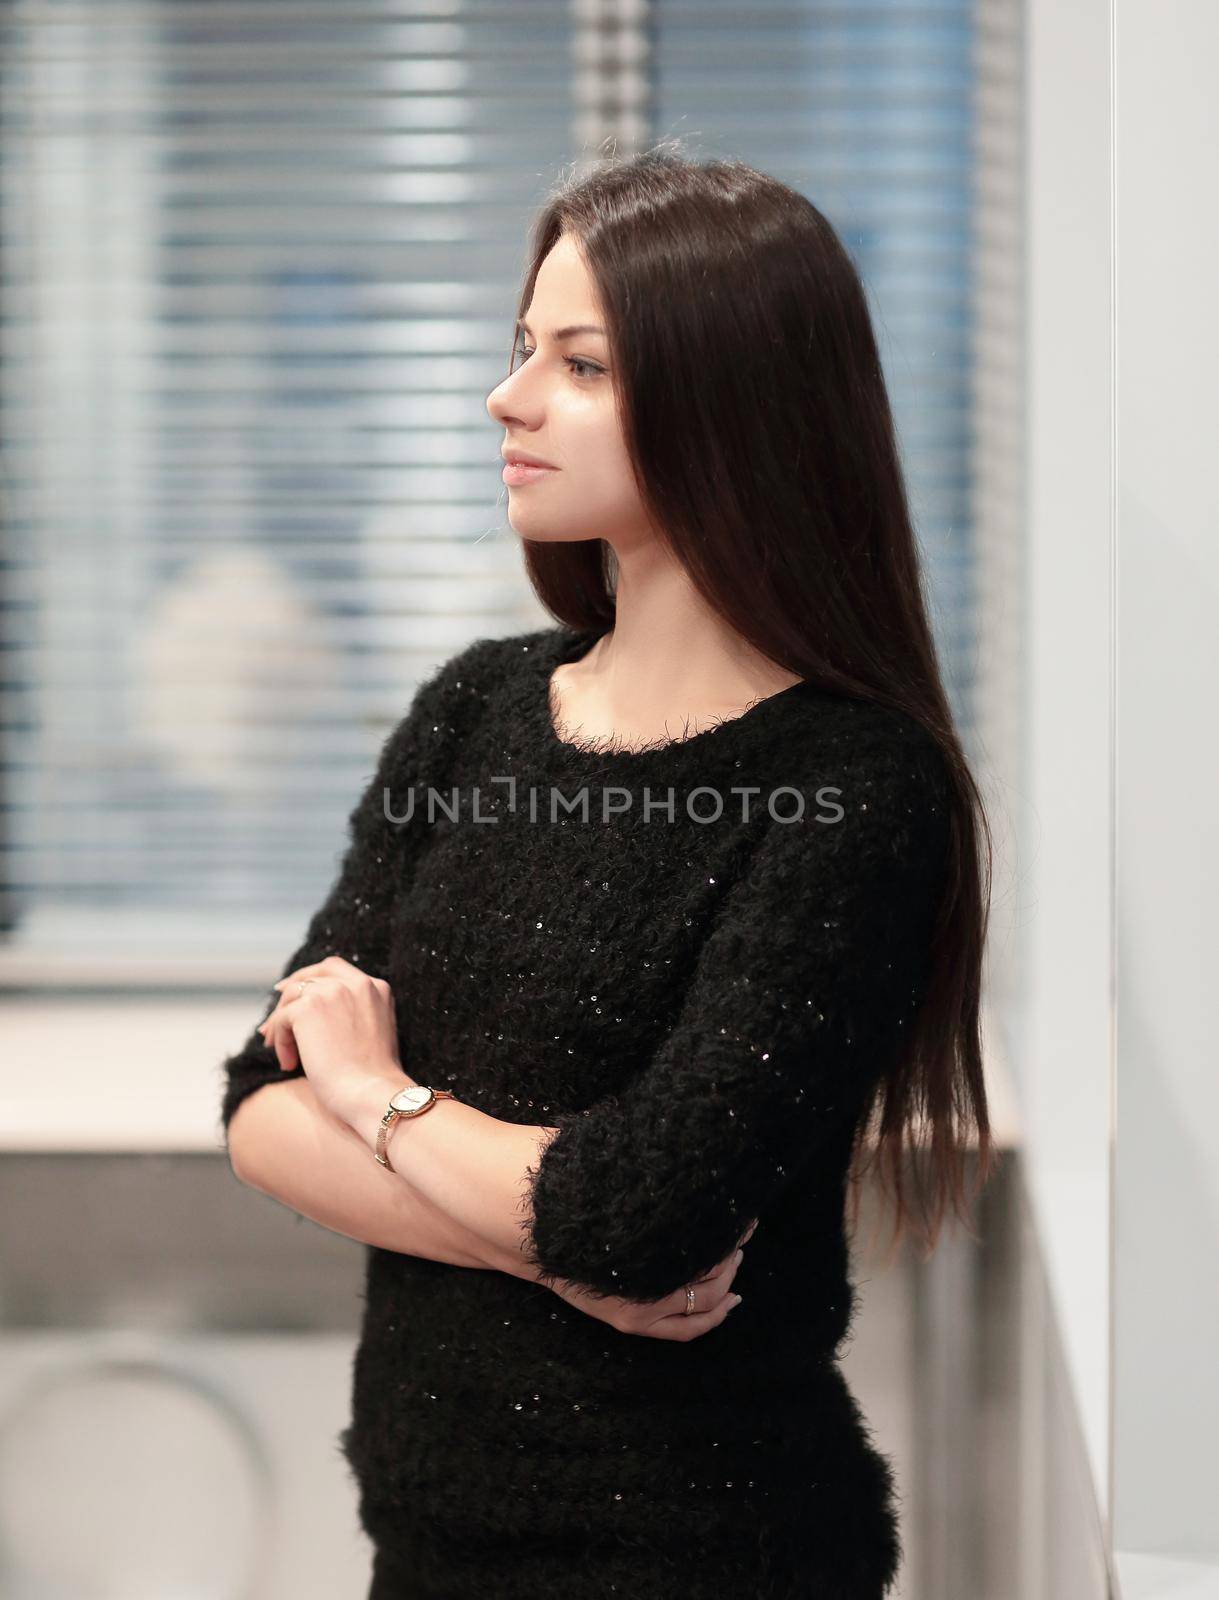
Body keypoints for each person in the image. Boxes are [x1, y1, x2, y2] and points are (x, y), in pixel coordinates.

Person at [219, 148, 995, 1599]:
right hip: (429, 1544)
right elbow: (260, 1105)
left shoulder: (854, 785)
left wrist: (378, 1096)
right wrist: (554, 1245)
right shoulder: (480, 710)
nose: (507, 400)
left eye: (580, 365)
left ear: (733, 405)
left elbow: (649, 1220)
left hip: (706, 1553)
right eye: (523, 349)